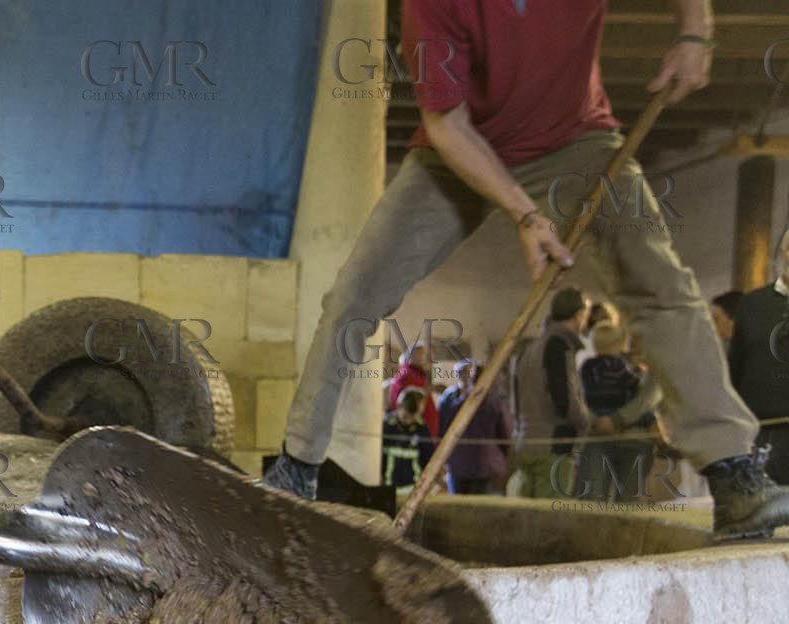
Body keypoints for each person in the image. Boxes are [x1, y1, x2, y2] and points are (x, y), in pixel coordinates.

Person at [260, 0, 789, 538]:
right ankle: (296, 471)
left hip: (574, 140)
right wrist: (525, 213)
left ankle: (732, 475)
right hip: (456, 150)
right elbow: (446, 123)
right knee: (355, 295)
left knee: (659, 284)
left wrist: (696, 31)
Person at [512, 288, 591, 498]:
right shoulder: (558, 345)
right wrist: (585, 423)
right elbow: (564, 398)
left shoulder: (530, 348)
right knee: (550, 521)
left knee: (526, 518)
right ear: (579, 314)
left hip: (526, 440)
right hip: (551, 445)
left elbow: (516, 398)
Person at [725, 231, 789, 483]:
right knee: (761, 512)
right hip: (762, 433)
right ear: (786, 254)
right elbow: (735, 369)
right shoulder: (753, 304)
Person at [576, 321, 660, 501]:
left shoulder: (588, 367)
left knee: (625, 504)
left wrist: (609, 420)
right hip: (605, 434)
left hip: (627, 436)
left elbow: (648, 398)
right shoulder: (623, 368)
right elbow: (636, 389)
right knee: (592, 500)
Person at [439, 359, 512, 494]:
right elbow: (505, 433)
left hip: (458, 463)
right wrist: (501, 455)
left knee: (457, 506)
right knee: (480, 507)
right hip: (485, 465)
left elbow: (443, 430)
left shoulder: (454, 405)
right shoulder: (495, 403)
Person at [382, 389, 437, 493]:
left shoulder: (421, 429)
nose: (409, 421)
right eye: (405, 417)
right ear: (399, 406)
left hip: (413, 491)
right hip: (388, 489)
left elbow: (428, 458)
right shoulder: (387, 427)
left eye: (413, 417)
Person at [387, 342, 441, 435]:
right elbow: (409, 404)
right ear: (413, 356)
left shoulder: (418, 375)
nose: (431, 361)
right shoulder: (408, 375)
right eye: (425, 355)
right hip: (413, 434)